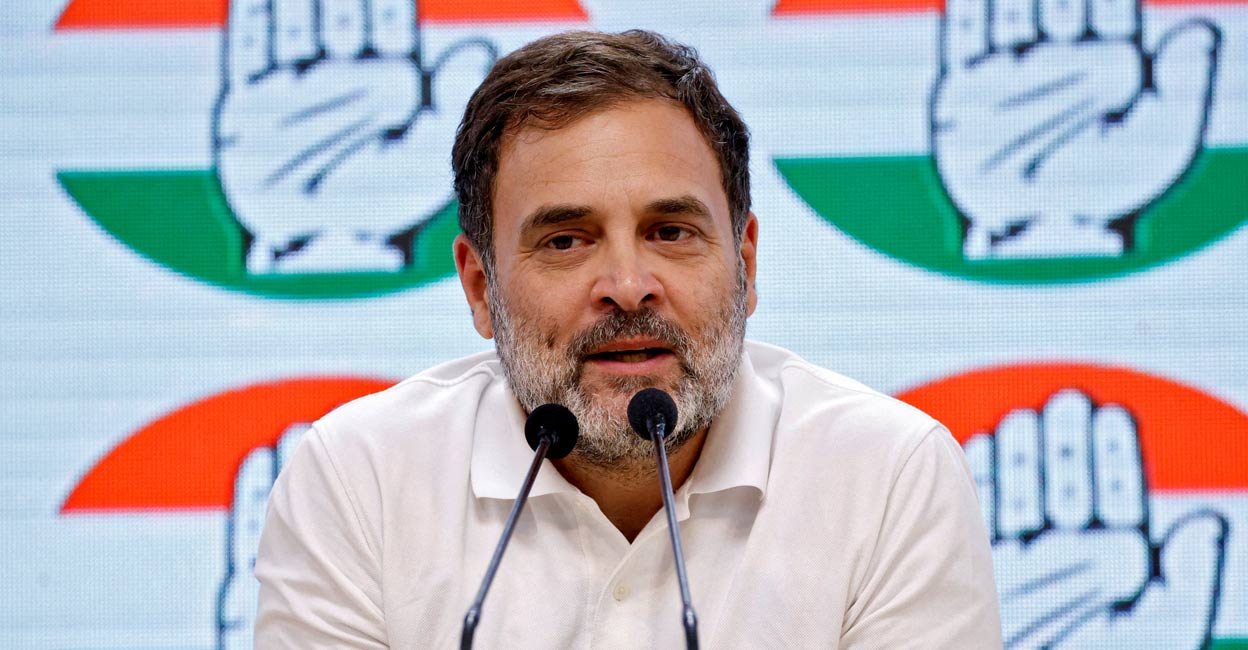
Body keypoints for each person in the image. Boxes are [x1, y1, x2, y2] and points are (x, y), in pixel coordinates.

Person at [255, 29, 1002, 648]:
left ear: (743, 264)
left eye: (670, 231)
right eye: (566, 240)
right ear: (480, 288)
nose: (627, 283)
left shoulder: (888, 475)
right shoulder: (359, 480)